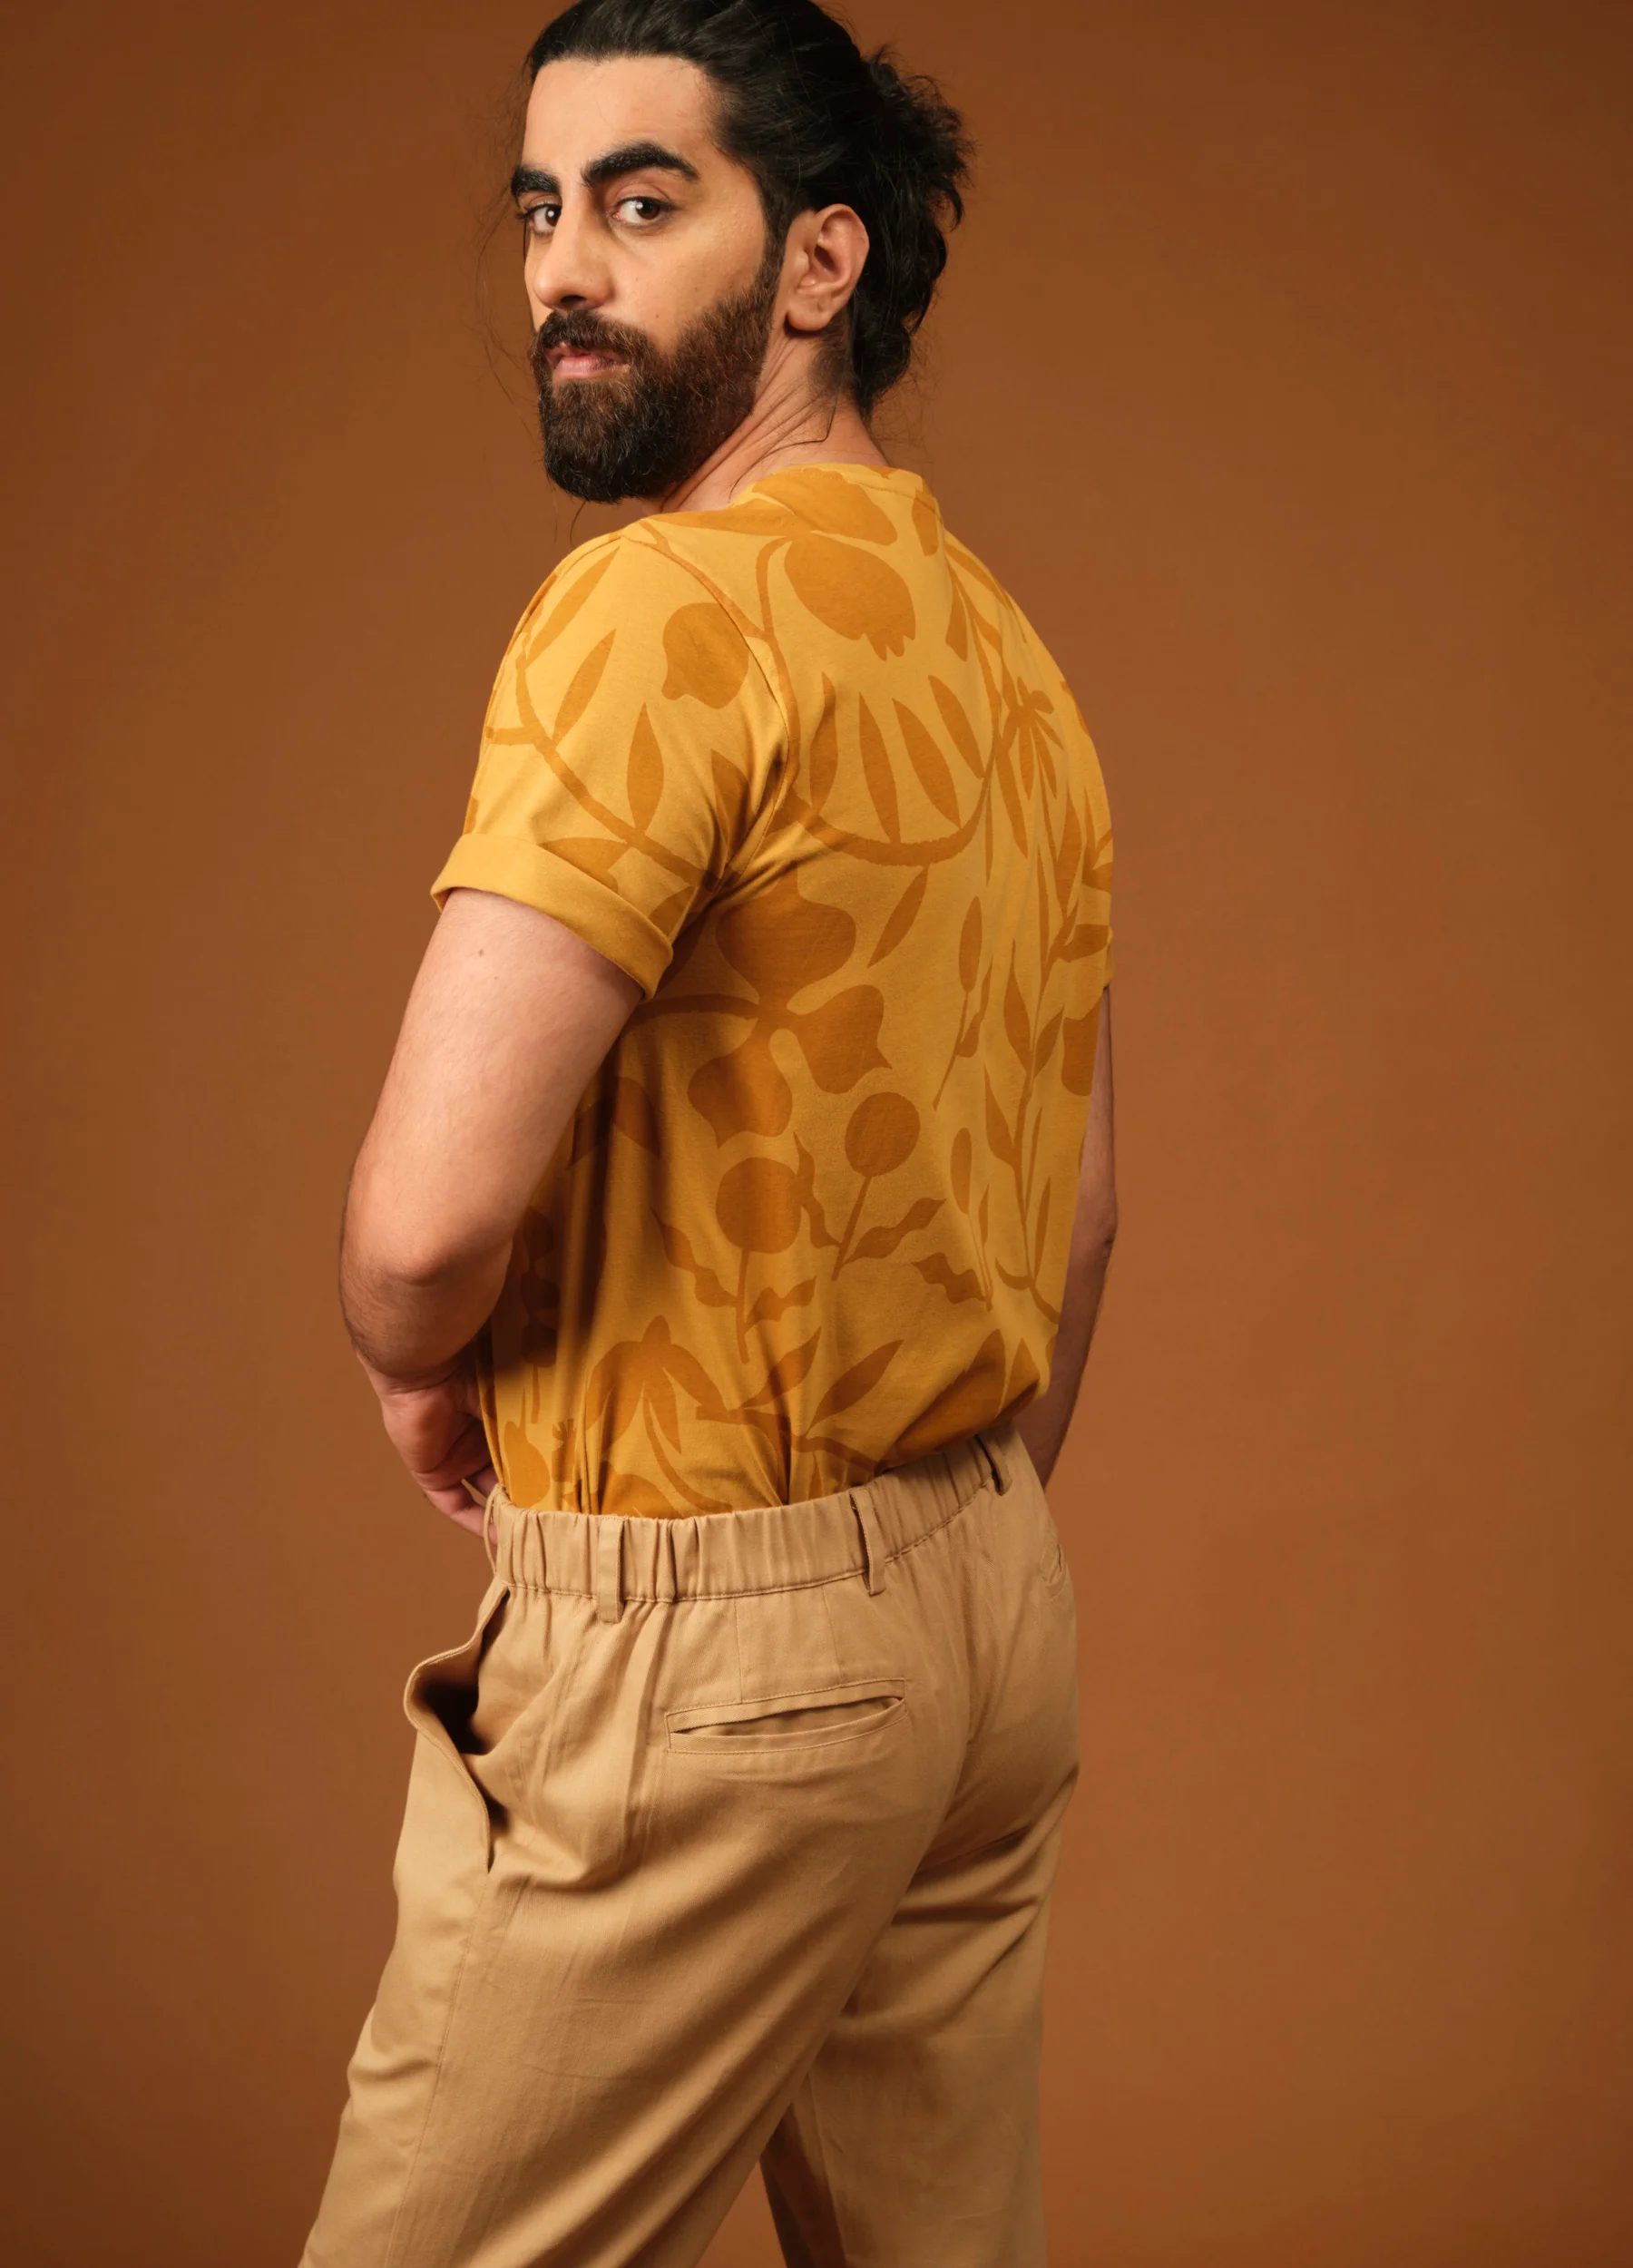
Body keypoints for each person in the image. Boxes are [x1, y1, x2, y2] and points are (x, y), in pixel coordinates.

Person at [302, 1, 1115, 2260]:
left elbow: (423, 1224)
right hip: (984, 1612)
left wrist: (410, 1349)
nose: (564, 266)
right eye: (541, 210)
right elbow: (1077, 1214)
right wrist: (930, 1559)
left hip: (713, 1648)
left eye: (644, 203)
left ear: (821, 260)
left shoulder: (660, 611)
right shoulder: (1002, 657)